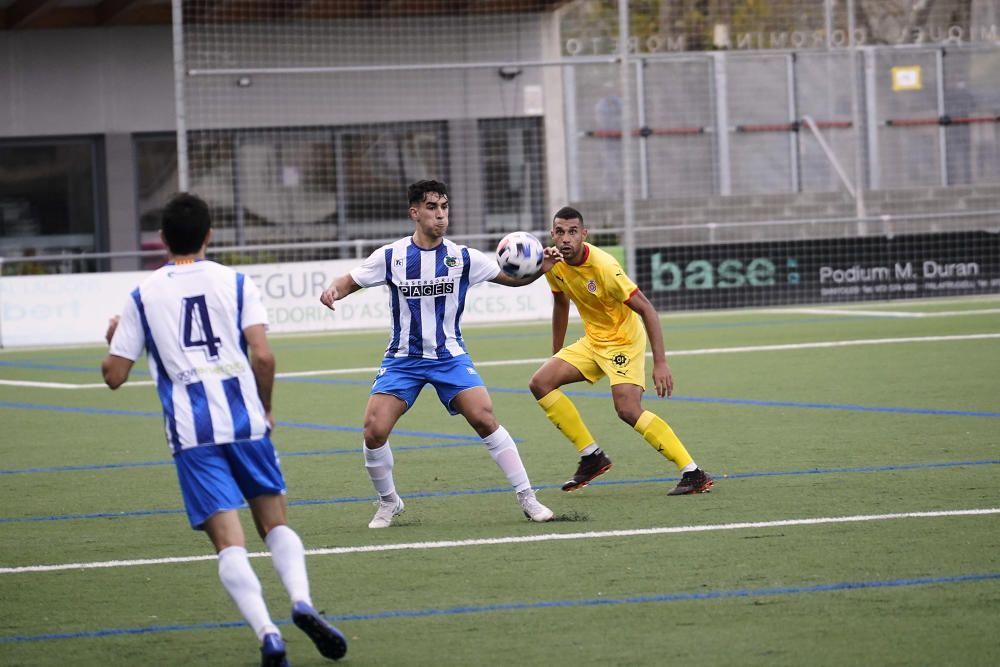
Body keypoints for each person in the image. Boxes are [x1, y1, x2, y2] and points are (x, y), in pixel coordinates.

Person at [101, 193, 347, 667]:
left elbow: (114, 376)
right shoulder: (235, 282)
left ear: (162, 239)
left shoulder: (143, 296)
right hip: (246, 423)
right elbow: (265, 355)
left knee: (228, 542)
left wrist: (115, 335)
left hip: (192, 435)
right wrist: (267, 408)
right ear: (210, 234)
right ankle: (300, 601)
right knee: (274, 524)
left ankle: (268, 633)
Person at [319, 179, 560, 528]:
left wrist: (541, 269)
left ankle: (528, 498)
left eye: (444, 207)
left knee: (484, 418)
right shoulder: (391, 256)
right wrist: (333, 292)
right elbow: (349, 280)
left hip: (449, 356)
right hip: (403, 359)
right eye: (432, 208)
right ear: (414, 212)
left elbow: (513, 279)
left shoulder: (463, 257)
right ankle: (389, 502)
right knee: (373, 431)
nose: (441, 215)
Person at [528, 206, 714, 496]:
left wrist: (660, 363)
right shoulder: (553, 263)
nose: (566, 239)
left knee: (627, 410)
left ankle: (693, 473)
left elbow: (647, 310)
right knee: (540, 382)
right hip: (593, 341)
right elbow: (561, 304)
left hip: (623, 342)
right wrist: (557, 353)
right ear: (552, 234)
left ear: (584, 234)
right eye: (560, 232)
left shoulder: (604, 267)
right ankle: (592, 457)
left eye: (573, 232)